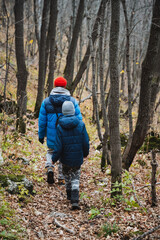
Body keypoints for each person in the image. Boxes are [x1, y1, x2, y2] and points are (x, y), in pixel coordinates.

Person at [38, 77, 82, 185]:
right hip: (66, 134)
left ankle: (49, 166)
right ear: (65, 86)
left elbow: (42, 121)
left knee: (50, 151)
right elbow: (79, 119)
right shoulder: (71, 101)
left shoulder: (46, 102)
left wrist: (41, 135)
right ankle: (61, 178)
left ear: (54, 86)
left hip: (52, 135)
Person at [52, 101, 89, 210]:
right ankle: (75, 200)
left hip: (65, 159)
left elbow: (58, 146)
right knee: (76, 177)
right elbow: (85, 142)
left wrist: (54, 158)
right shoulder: (81, 124)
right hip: (77, 157)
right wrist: (85, 153)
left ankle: (69, 194)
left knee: (67, 176)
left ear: (63, 111)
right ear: (73, 111)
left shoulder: (59, 126)